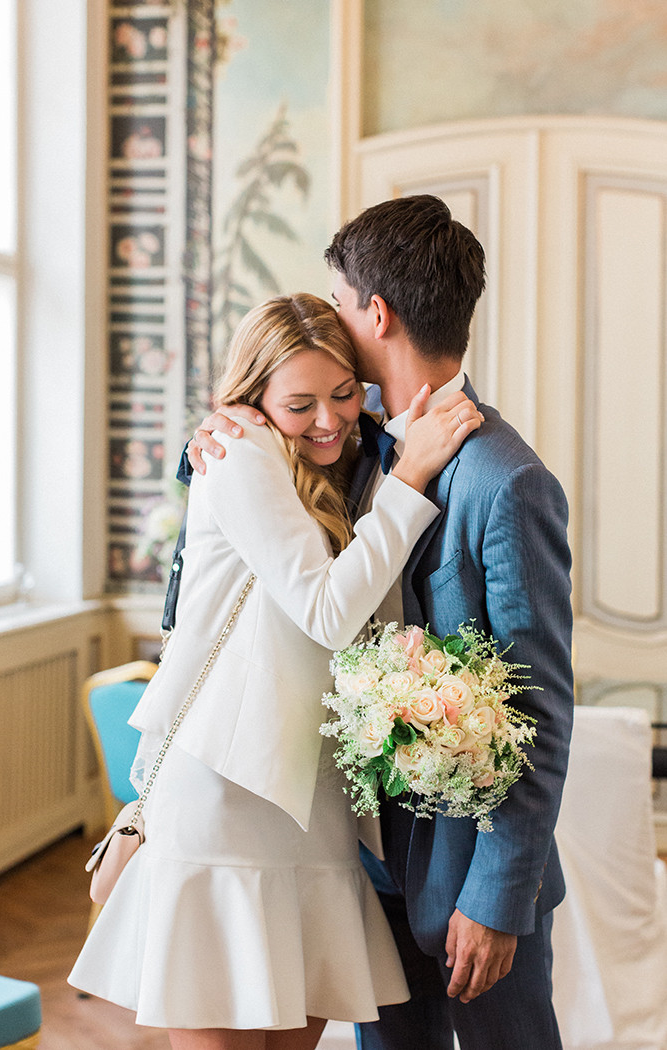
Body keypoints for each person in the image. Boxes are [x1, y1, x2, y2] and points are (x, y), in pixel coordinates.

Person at [188, 195, 574, 1050]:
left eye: (336, 297)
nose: (326, 314)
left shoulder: (505, 480)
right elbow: (246, 541)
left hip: (472, 884)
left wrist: (496, 897)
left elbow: (538, 714)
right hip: (368, 867)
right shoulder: (349, 440)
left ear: (376, 311)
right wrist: (215, 437)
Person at [68, 292, 483, 1050]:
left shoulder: (345, 461)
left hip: (314, 808)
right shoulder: (239, 453)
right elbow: (327, 609)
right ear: (253, 398)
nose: (328, 419)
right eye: (300, 403)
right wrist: (412, 478)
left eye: (341, 395)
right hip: (227, 797)